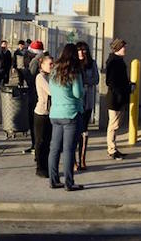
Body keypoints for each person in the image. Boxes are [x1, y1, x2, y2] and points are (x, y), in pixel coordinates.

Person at [48, 43, 85, 191]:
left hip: (55, 114)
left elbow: (51, 90)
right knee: (69, 149)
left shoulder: (54, 71)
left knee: (55, 148)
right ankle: (69, 183)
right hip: (70, 114)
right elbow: (78, 93)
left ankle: (54, 180)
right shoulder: (74, 72)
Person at [105, 38, 133, 160]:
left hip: (120, 97)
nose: (125, 49)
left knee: (115, 125)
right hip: (115, 98)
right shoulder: (113, 62)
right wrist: (121, 92)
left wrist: (128, 84)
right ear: (117, 48)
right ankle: (111, 149)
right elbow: (110, 81)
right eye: (123, 47)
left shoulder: (118, 61)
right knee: (113, 125)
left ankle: (113, 148)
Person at [75, 41, 99, 171]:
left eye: (84, 50)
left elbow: (96, 79)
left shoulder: (92, 63)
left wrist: (83, 81)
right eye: (79, 50)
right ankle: (73, 161)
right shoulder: (73, 64)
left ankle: (82, 159)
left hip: (87, 102)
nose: (81, 52)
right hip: (75, 102)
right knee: (73, 131)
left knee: (84, 130)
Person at [22, 40, 45, 155]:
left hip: (35, 95)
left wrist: (24, 72)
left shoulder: (35, 62)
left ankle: (35, 145)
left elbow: (31, 78)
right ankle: (35, 145)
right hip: (39, 95)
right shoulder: (44, 59)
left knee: (34, 122)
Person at [34, 55, 54, 178]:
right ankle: (40, 167)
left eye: (53, 64)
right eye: (50, 64)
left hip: (50, 113)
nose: (52, 66)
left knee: (47, 141)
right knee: (40, 141)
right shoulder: (40, 77)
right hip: (41, 113)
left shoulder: (49, 76)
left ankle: (45, 165)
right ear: (42, 65)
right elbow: (51, 91)